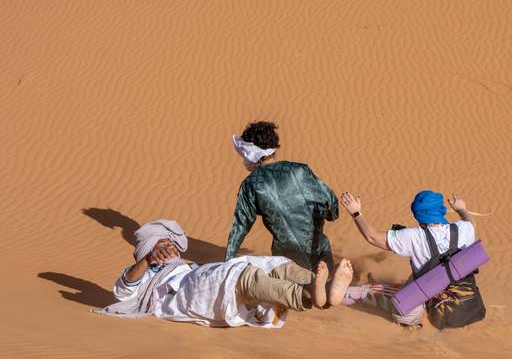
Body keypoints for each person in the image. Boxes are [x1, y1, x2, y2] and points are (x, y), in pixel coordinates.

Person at [94, 219, 353, 328]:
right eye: (162, 243)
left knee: (277, 265)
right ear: (147, 250)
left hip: (204, 278)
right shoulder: (148, 278)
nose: (169, 246)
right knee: (246, 279)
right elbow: (122, 290)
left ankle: (320, 289)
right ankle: (308, 296)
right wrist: (148, 261)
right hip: (189, 294)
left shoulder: (185, 265)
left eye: (171, 243)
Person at [339, 190, 485, 329]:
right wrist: (461, 208)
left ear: (418, 215)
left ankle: (410, 329)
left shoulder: (414, 237)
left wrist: (356, 212)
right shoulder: (464, 229)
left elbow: (372, 237)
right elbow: (471, 222)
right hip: (467, 303)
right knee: (436, 271)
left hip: (430, 304)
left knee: (403, 311)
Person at [225, 121, 339, 272]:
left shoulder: (252, 184)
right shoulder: (301, 170)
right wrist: (329, 215)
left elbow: (240, 225)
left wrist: (227, 262)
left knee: (298, 293)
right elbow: (332, 205)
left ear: (252, 154)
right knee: (327, 287)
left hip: (287, 262)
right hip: (320, 252)